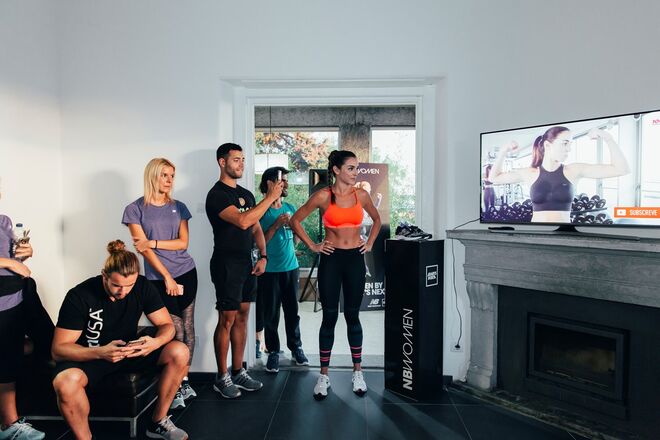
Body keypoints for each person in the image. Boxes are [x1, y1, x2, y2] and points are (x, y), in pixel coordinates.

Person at [51, 240, 189, 440]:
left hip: (128, 351)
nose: (123, 292)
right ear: (104, 276)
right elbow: (58, 349)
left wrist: (155, 342)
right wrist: (100, 352)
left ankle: (158, 422)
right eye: (116, 285)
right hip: (92, 355)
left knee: (180, 351)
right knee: (65, 383)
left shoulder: (142, 286)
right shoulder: (79, 295)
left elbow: (167, 326)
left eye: (129, 285)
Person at [290, 150, 381, 400]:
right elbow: (295, 220)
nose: (355, 173)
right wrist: (313, 245)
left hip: (354, 259)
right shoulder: (323, 196)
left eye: (356, 168)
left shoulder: (361, 195)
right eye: (351, 168)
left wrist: (370, 243)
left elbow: (376, 219)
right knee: (329, 317)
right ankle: (323, 375)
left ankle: (358, 372)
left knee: (353, 316)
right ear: (336, 170)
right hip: (331, 260)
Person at [205, 143, 283, 399]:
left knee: (242, 317)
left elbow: (255, 227)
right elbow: (242, 220)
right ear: (222, 162)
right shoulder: (217, 195)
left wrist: (263, 256)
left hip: (248, 262)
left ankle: (238, 371)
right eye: (236, 159)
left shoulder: (246, 195)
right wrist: (269, 197)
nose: (241, 164)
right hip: (227, 264)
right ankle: (222, 376)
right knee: (226, 319)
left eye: (243, 159)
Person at [122, 158, 198, 409]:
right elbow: (142, 250)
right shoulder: (135, 209)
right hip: (158, 278)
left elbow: (182, 243)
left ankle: (183, 381)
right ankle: (173, 386)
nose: (169, 180)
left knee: (188, 327)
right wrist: (166, 276)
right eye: (164, 175)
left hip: (186, 271)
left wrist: (153, 242)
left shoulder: (179, 207)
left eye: (172, 175)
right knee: (175, 330)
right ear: (152, 175)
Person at [488, 126, 630, 223]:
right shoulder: (529, 173)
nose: (569, 149)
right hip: (536, 235)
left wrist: (608, 138)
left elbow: (621, 169)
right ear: (547, 145)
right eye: (565, 143)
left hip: (564, 236)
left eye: (570, 144)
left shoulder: (573, 171)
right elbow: (494, 178)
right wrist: (503, 151)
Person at [0, 192, 53, 440]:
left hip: (21, 291)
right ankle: (9, 425)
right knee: (6, 356)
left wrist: (22, 254)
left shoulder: (4, 221)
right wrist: (9, 263)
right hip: (2, 299)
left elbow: (13, 257)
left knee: (48, 341)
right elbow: (7, 263)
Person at [257, 167, 309, 374]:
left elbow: (296, 238)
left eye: (286, 180)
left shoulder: (290, 207)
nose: (286, 184)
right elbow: (258, 241)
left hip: (291, 268)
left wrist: (295, 235)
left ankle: (296, 348)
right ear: (270, 184)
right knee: (271, 314)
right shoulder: (261, 210)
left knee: (292, 312)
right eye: (282, 181)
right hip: (269, 270)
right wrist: (276, 225)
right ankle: (273, 352)